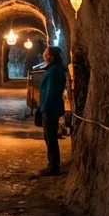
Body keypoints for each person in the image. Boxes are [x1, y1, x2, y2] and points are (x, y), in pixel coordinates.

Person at [37, 45, 68, 176]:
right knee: (49, 136)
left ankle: (53, 166)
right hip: (50, 107)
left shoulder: (54, 71)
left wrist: (43, 108)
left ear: (51, 56)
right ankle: (52, 164)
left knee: (50, 137)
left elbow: (51, 92)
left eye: (46, 53)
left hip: (51, 108)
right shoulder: (54, 69)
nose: (44, 55)